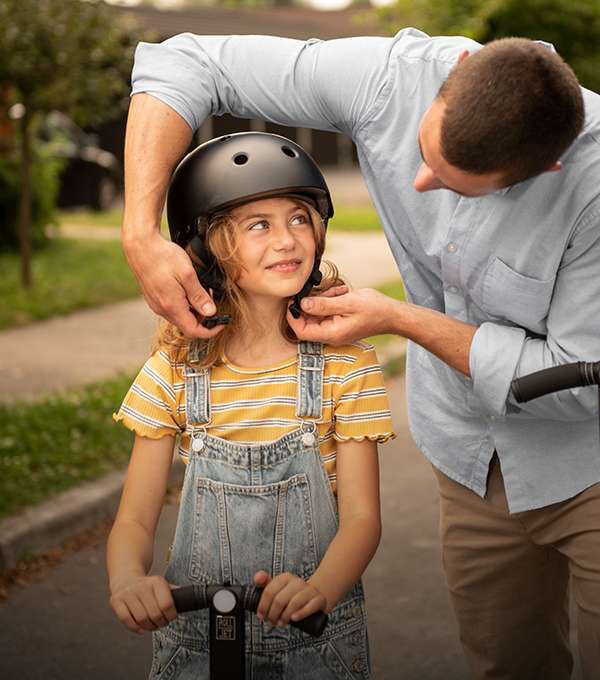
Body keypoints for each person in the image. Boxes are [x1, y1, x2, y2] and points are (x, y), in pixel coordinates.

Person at [119, 27, 600, 679]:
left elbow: (579, 380)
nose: (420, 180)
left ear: (546, 166)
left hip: (584, 457)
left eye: (456, 184)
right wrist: (140, 231)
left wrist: (399, 319)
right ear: (451, 77)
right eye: (425, 150)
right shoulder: (391, 78)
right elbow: (180, 58)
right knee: (507, 662)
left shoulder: (591, 185)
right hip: (468, 455)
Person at [107, 131, 395, 679]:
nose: (287, 239)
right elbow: (133, 520)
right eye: (258, 225)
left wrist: (318, 589)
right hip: (196, 642)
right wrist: (127, 579)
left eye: (299, 218)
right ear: (204, 247)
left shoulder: (345, 363)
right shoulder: (177, 370)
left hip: (316, 642)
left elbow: (361, 519)